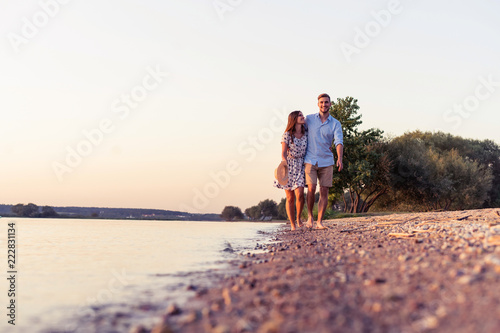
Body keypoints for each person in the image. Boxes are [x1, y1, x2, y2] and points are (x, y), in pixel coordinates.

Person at [304, 93, 343, 229]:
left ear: (330, 104)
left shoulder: (335, 123)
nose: (324, 105)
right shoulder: (308, 119)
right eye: (321, 102)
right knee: (311, 188)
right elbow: (297, 130)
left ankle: (319, 221)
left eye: (326, 102)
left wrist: (340, 158)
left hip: (327, 161)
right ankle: (310, 218)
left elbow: (338, 142)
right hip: (310, 159)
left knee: (324, 191)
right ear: (318, 104)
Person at [273, 111, 307, 230]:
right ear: (294, 119)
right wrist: (284, 161)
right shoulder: (287, 134)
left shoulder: (305, 132)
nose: (303, 117)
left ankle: (298, 218)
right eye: (300, 115)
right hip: (288, 166)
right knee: (290, 198)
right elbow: (283, 152)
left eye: (302, 115)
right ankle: (292, 224)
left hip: (301, 165)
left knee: (300, 195)